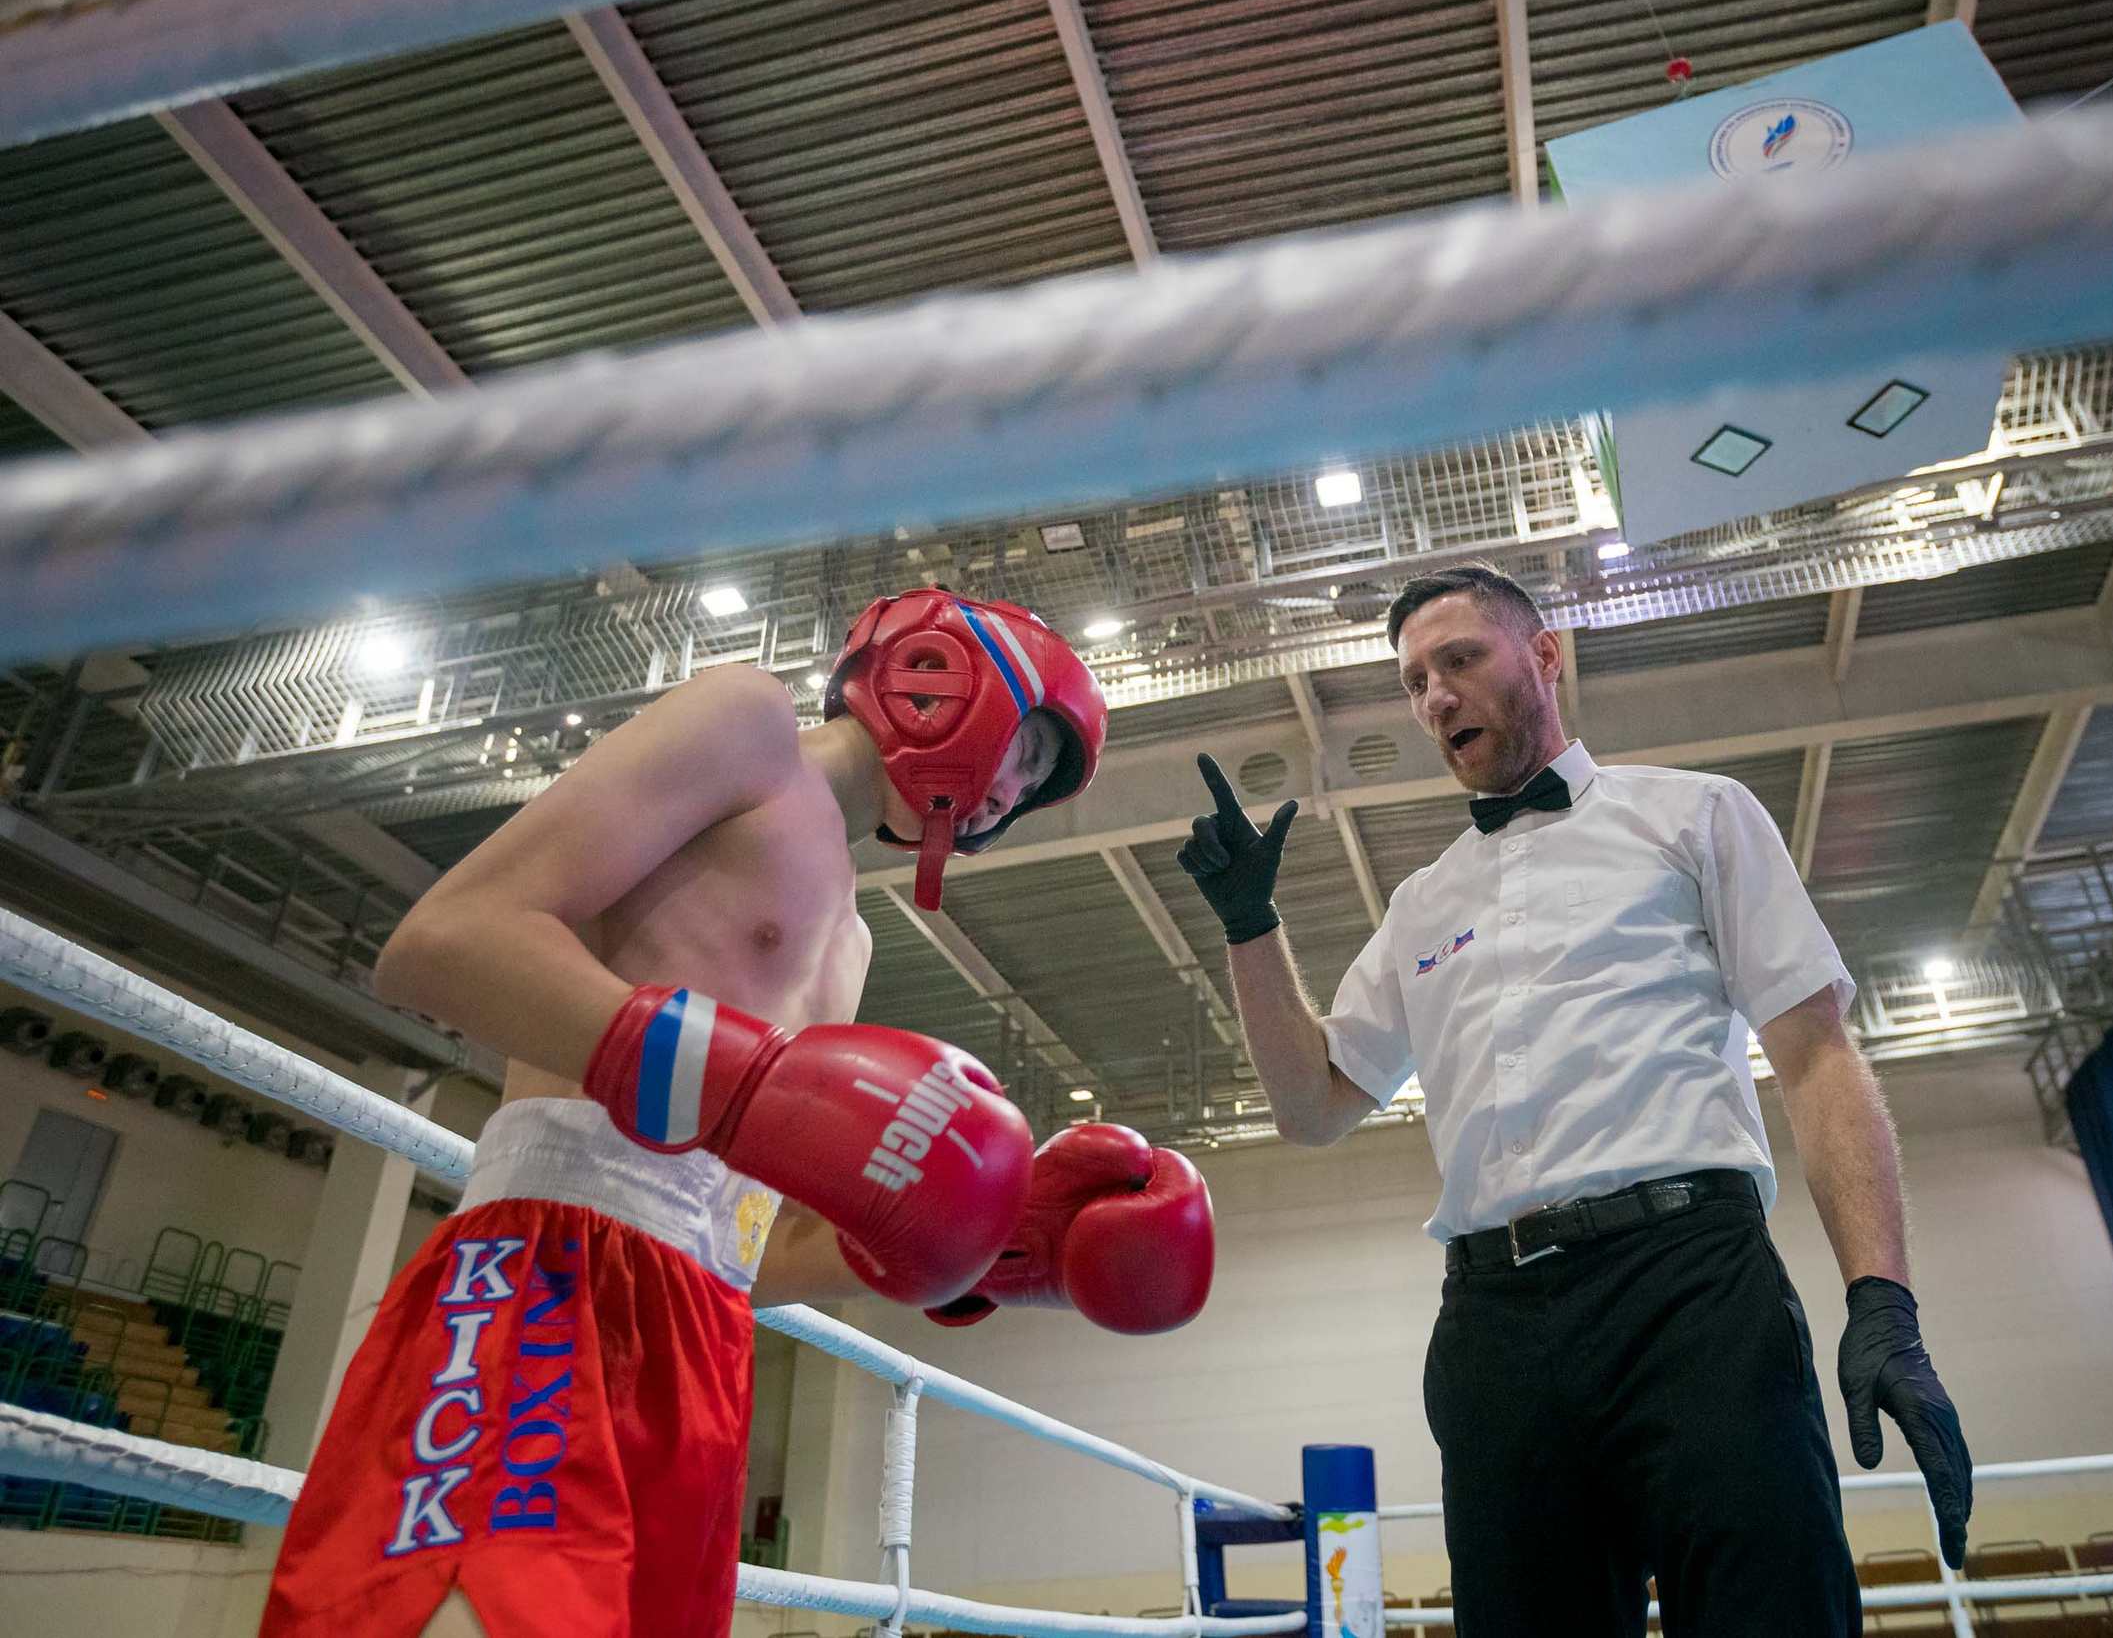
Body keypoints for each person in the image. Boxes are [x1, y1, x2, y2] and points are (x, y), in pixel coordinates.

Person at [259, 589, 1212, 1638]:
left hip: (699, 1337)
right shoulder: (747, 728)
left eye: (1033, 787)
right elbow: (443, 942)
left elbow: (737, 1244)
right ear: (942, 679)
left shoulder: (851, 940)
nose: (1009, 796)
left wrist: (964, 1246)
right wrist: (744, 1080)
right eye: (1028, 753)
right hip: (549, 1275)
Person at [1177, 562, 1972, 1638]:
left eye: (1460, 660)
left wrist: (1883, 1304)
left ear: (1543, 655)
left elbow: (1815, 1056)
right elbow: (1312, 1106)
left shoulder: (1694, 816)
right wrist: (1248, 928)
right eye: (1416, 680)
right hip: (1496, 1328)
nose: (1436, 697)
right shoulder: (1422, 905)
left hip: (1691, 1293)